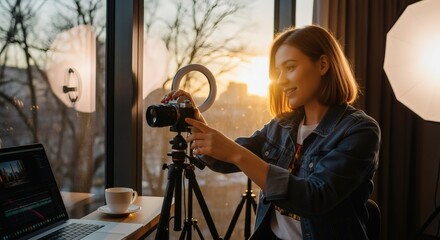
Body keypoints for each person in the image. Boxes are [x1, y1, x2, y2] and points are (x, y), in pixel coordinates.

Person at [162, 25, 381, 240]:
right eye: (278, 72)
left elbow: (314, 198)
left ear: (323, 65)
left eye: (290, 67)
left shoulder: (359, 131)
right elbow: (226, 159)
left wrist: (236, 154)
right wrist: (195, 121)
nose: (281, 80)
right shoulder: (282, 125)